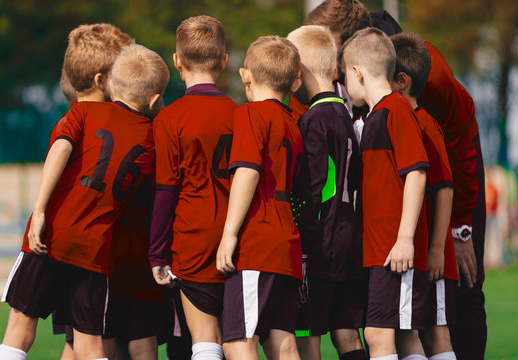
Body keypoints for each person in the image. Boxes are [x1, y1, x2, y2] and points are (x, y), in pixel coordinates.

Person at [306, 3, 487, 357]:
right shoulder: (376, 101)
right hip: (386, 238)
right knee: (403, 332)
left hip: (421, 218)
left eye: (333, 54)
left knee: (457, 297)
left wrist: (458, 229)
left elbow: (445, 156)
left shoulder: (412, 95)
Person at [0, 43, 169, 360]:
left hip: (52, 235)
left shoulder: (85, 110)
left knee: (19, 331)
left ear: (111, 84)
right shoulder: (153, 137)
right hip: (95, 251)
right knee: (90, 347)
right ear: (155, 100)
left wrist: (39, 209)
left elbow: (61, 148)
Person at [149, 15, 237, 360]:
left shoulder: (169, 118)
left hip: (192, 238)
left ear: (176, 62)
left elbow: (165, 191)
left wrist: (157, 252)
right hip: (238, 237)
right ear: (224, 61)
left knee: (204, 339)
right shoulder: (240, 113)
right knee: (238, 341)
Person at [342, 27, 430, 360]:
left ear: (356, 73)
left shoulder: (396, 111)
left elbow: (417, 172)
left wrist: (405, 238)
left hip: (395, 253)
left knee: (378, 334)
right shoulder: (376, 116)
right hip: (382, 251)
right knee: (404, 337)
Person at [216, 35, 303, 360]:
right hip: (287, 246)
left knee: (238, 342)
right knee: (282, 344)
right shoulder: (293, 123)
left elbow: (248, 172)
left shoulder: (251, 114)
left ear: (245, 75)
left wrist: (229, 233)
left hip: (257, 246)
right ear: (295, 82)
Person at [286, 25, 367, 360]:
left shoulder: (313, 120)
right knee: (347, 333)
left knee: (308, 337)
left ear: (297, 70)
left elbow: (317, 190)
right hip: (349, 240)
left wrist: (303, 252)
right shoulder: (345, 116)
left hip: (322, 245)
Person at [390, 31, 458, 360]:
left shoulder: (426, 125)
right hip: (416, 252)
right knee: (412, 329)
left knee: (436, 331)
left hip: (432, 252)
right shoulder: (399, 122)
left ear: (400, 81)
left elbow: (444, 188)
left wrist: (436, 249)